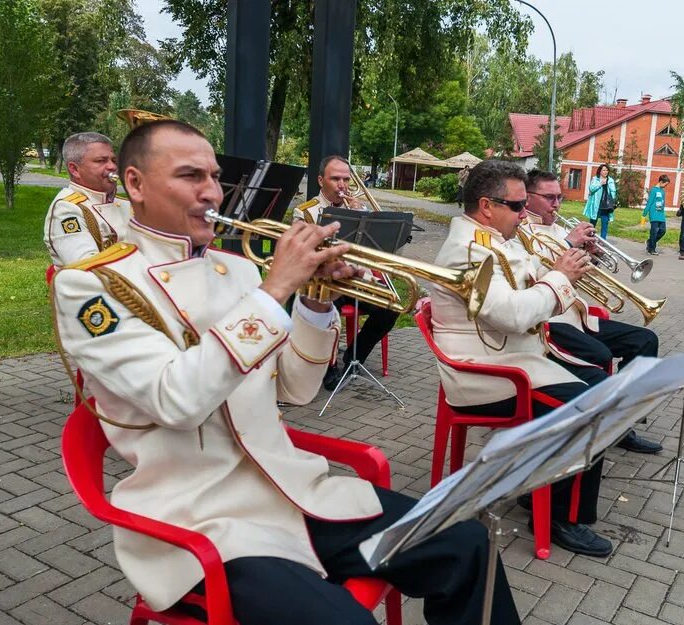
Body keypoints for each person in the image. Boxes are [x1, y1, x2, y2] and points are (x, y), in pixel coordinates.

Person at [50, 120, 520, 625]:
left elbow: (296, 388)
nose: (211, 191)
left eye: (213, 175)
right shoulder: (92, 287)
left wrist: (316, 302)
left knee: (468, 544)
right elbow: (177, 400)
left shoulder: (239, 271)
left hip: (290, 490)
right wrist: (274, 293)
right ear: (135, 185)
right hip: (200, 517)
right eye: (190, 176)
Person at [431, 159, 613, 557]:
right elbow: (512, 315)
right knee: (594, 408)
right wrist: (561, 278)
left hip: (514, 357)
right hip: (487, 373)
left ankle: (546, 490)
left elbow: (526, 271)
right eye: (516, 206)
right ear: (486, 206)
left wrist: (562, 261)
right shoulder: (467, 251)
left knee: (603, 386)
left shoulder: (495, 237)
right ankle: (559, 517)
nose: (523, 213)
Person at [521, 169, 663, 455]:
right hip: (551, 321)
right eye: (549, 198)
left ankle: (624, 413)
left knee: (645, 340)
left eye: (559, 197)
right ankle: (611, 424)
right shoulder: (521, 230)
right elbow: (533, 278)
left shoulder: (560, 229)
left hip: (578, 315)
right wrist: (569, 245)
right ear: (527, 198)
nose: (556, 205)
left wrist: (593, 256)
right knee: (600, 355)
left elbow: (580, 275)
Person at [292, 155, 400, 390]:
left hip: (355, 279)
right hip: (325, 282)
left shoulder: (359, 209)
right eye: (335, 179)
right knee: (327, 311)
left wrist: (365, 219)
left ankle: (353, 358)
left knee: (390, 307)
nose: (342, 185)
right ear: (321, 181)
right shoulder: (306, 213)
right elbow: (304, 255)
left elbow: (373, 250)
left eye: (345, 179)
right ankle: (327, 368)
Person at [44, 132, 132, 267]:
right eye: (101, 161)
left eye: (113, 160)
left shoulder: (126, 204)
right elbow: (88, 267)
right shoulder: (67, 208)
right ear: (75, 170)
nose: (112, 167)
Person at [582, 164, 616, 240]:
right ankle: (590, 239)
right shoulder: (595, 179)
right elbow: (591, 188)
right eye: (604, 170)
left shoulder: (610, 180)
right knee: (592, 223)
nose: (605, 172)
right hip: (596, 205)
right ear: (600, 171)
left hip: (606, 206)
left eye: (607, 170)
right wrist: (600, 183)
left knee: (605, 223)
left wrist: (612, 200)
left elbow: (613, 191)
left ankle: (603, 241)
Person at [642, 175, 670, 255]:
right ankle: (652, 249)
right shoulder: (654, 190)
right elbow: (650, 202)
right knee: (654, 232)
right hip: (654, 214)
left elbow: (663, 203)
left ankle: (650, 242)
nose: (666, 186)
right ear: (661, 182)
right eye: (665, 184)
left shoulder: (662, 191)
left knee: (663, 230)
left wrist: (663, 212)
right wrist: (644, 213)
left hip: (661, 214)